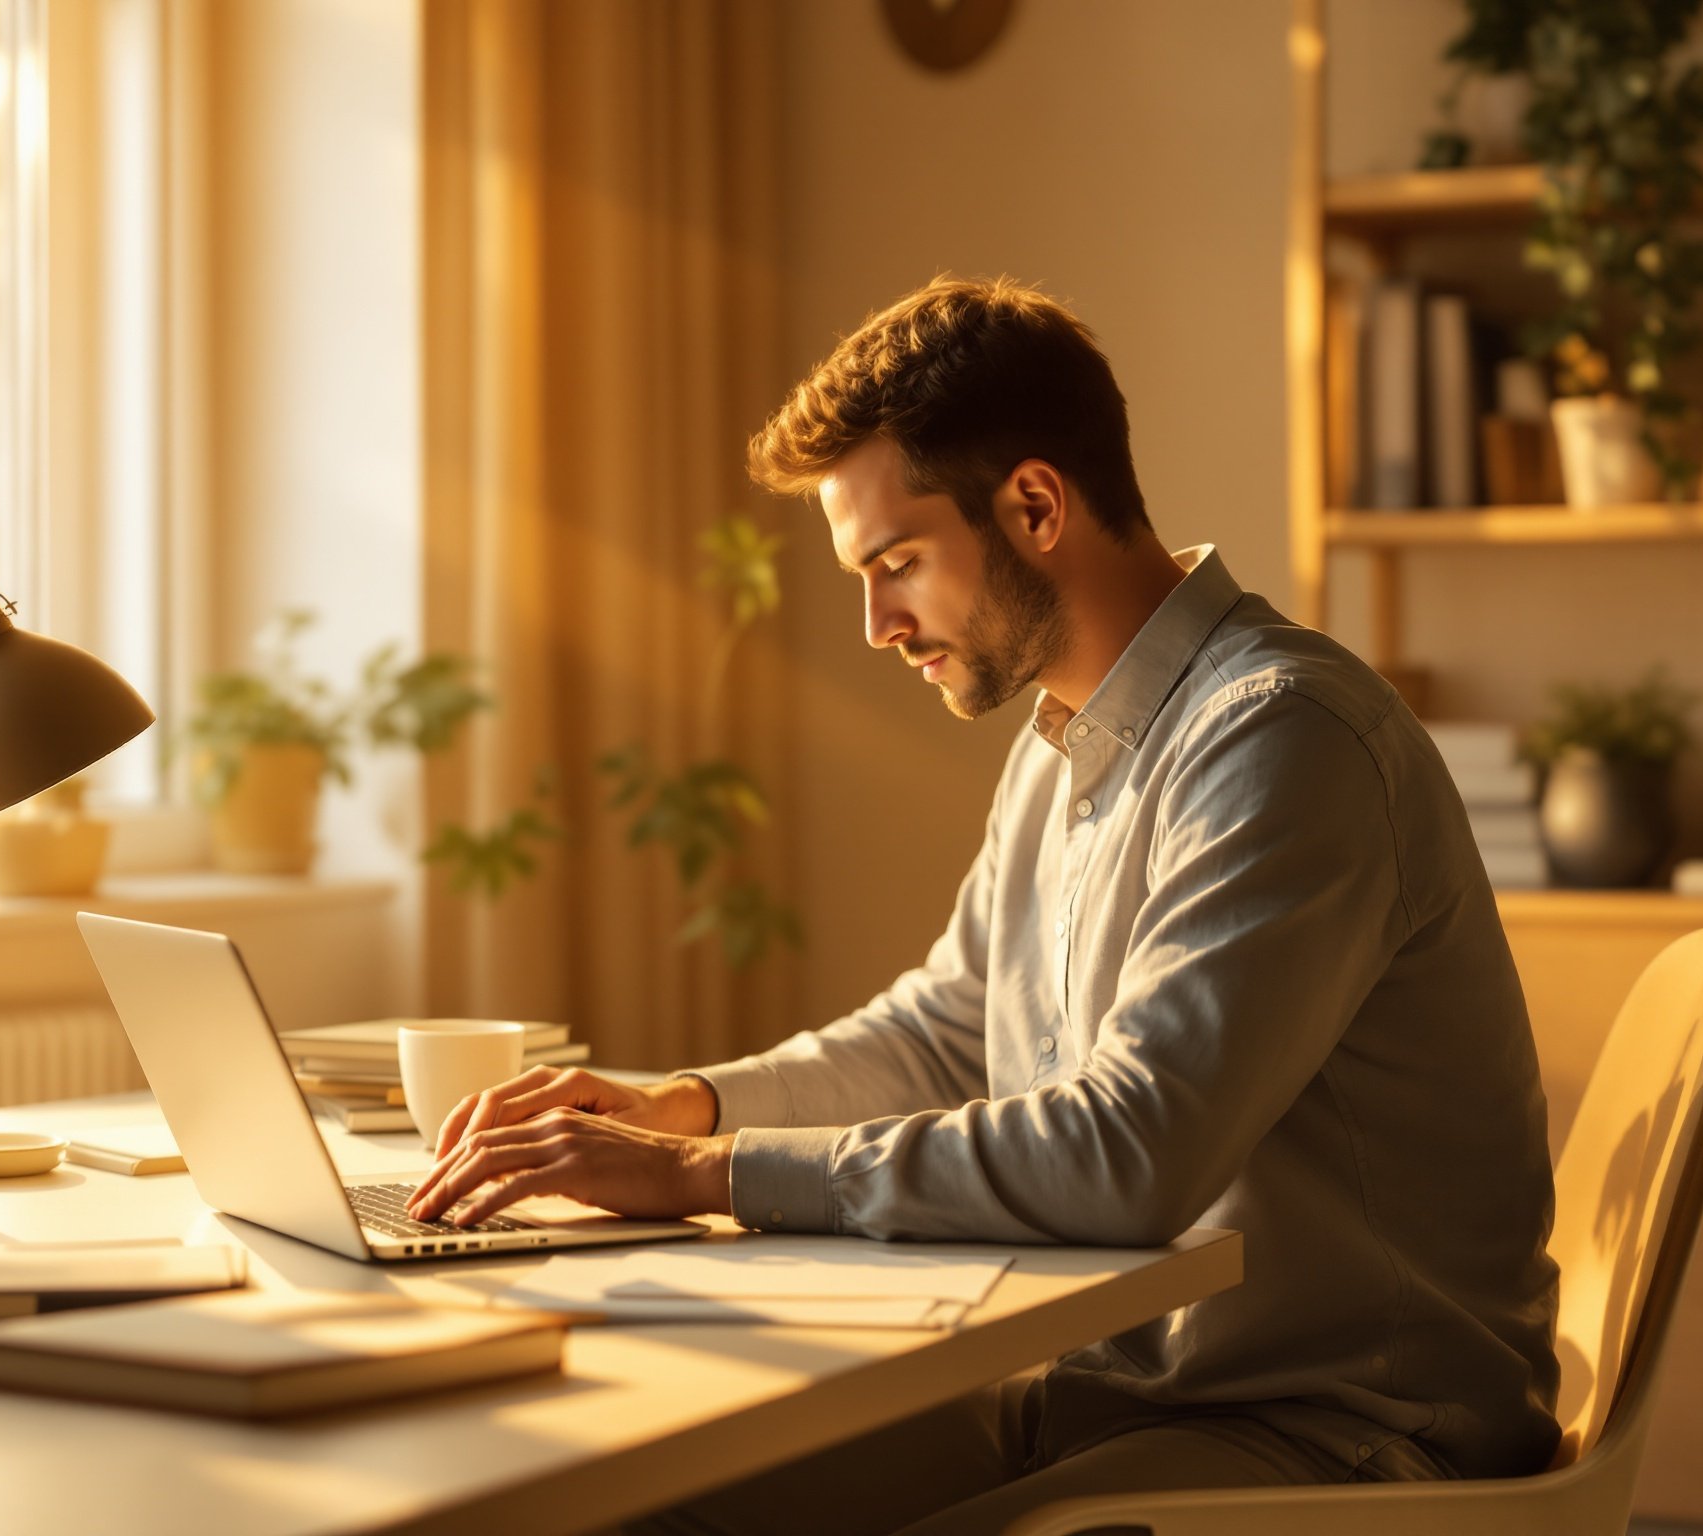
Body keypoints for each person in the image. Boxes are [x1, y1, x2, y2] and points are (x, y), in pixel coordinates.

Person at [407, 276, 1560, 1532]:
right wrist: (681, 1105)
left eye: (896, 562)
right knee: (649, 1499)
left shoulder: (1283, 740)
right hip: (1112, 1394)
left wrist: (705, 1172)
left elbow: (1129, 1157)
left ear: (1033, 504)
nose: (874, 623)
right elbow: (945, 1032)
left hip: (1343, 1439)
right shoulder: (1063, 736)